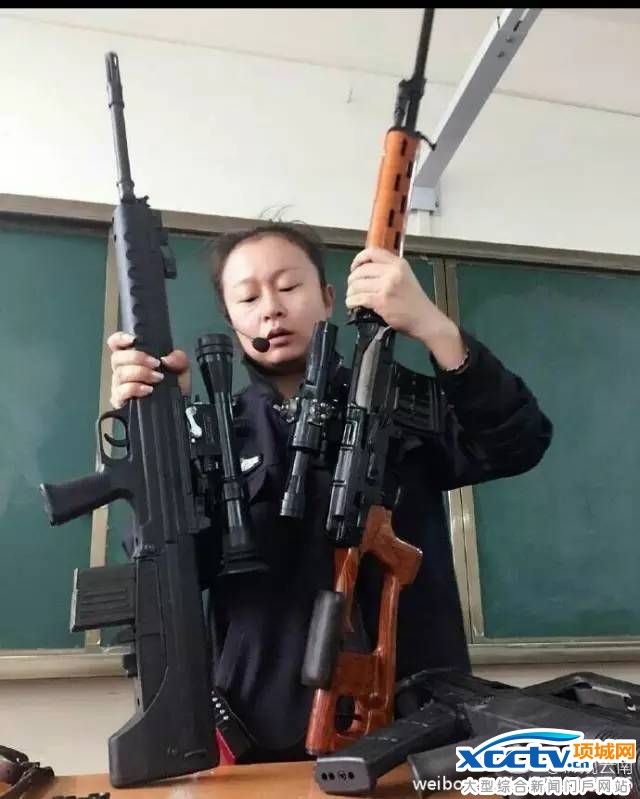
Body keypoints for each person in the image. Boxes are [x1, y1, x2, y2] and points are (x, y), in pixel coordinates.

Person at [108, 221, 553, 764]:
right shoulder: (213, 430)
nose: (272, 308)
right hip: (259, 736)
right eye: (248, 297)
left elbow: (518, 443)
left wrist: (435, 328)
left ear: (326, 297)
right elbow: (161, 567)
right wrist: (163, 435)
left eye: (288, 286)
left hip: (417, 725)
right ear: (230, 320)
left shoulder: (397, 401)